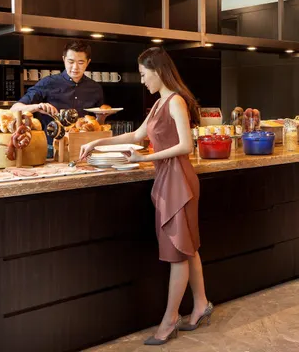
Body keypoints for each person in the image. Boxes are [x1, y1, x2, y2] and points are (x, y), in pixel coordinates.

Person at [79, 47, 212, 346]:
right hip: (168, 178)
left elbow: (186, 146)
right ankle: (201, 305)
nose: (142, 81)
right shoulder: (158, 104)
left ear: (158, 71)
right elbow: (136, 136)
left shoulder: (175, 101)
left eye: (143, 74)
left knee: (179, 252)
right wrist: (97, 142)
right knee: (188, 248)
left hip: (179, 180)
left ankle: (170, 319)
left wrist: (142, 159)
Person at [11, 40, 103, 153]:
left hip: (84, 149)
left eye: (80, 62)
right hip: (51, 149)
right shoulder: (48, 83)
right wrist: (37, 107)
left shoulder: (95, 88)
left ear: (88, 62)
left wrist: (102, 116)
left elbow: (97, 125)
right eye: (70, 62)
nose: (75, 67)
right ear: (64, 59)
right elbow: (14, 109)